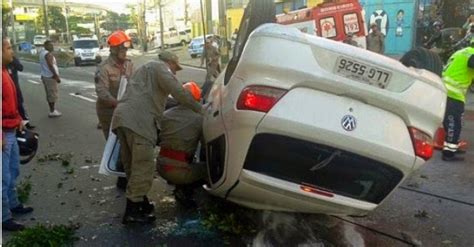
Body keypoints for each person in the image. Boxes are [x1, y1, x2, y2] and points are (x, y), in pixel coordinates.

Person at [111, 51, 204, 224]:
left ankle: (141, 203)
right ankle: (132, 212)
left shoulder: (143, 70)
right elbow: (179, 92)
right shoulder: (160, 67)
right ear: (169, 62)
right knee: (143, 166)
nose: (175, 73)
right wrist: (201, 109)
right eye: (175, 69)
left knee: (131, 164)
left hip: (122, 119)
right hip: (140, 122)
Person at [156, 81, 206, 207]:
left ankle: (180, 186)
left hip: (160, 167)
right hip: (178, 171)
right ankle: (185, 192)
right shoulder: (199, 119)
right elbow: (205, 144)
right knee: (209, 170)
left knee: (184, 160)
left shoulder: (166, 114)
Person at [95, 30, 134, 190]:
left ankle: (126, 174)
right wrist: (116, 103)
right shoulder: (103, 68)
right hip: (108, 111)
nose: (124, 52)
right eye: (121, 49)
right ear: (113, 50)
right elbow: (101, 91)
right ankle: (120, 174)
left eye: (126, 49)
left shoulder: (130, 65)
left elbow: (135, 84)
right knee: (115, 143)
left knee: (128, 143)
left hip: (126, 108)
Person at [2, 37, 34, 232]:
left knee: (13, 171)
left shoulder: (5, 71)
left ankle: (13, 204)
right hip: (3, 134)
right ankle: (3, 217)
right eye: (7, 48)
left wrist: (19, 121)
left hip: (11, 128)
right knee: (2, 177)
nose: (11, 52)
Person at [441, 37, 474, 161]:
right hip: (453, 93)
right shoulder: (472, 55)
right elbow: (472, 63)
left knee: (450, 122)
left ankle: (451, 147)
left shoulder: (462, 52)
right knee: (454, 122)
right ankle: (448, 153)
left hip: (445, 90)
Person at [7, 56, 35, 129]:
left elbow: (20, 68)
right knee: (9, 107)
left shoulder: (12, 59)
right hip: (5, 89)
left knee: (20, 105)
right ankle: (13, 125)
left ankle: (26, 123)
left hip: (15, 87)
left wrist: (12, 60)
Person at [39, 40, 62, 117]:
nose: (52, 47)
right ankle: (52, 111)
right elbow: (50, 65)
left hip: (45, 76)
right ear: (46, 46)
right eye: (50, 45)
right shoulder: (48, 54)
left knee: (49, 94)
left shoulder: (42, 53)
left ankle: (52, 110)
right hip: (50, 76)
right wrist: (56, 75)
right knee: (52, 94)